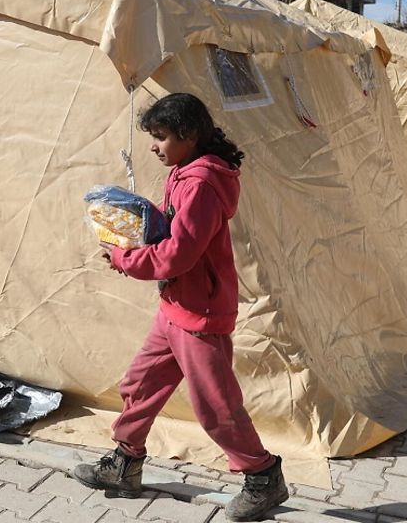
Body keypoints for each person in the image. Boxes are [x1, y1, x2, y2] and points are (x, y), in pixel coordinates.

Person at [73, 93, 288, 522]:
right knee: (140, 383)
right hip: (177, 306)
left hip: (200, 314)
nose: (154, 145)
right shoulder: (184, 172)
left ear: (187, 136)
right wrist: (133, 221)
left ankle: (263, 477)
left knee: (215, 407)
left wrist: (124, 258)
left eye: (160, 137)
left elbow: (178, 254)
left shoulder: (203, 184)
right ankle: (125, 464)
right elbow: (172, 228)